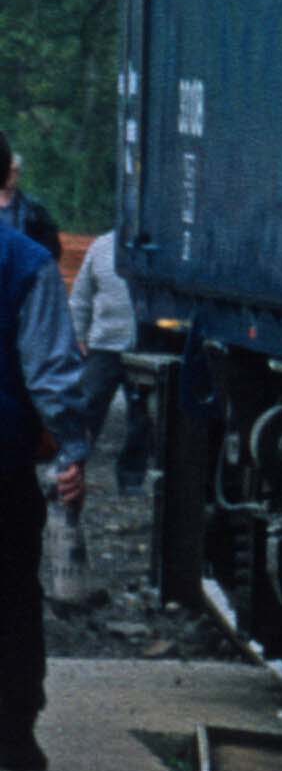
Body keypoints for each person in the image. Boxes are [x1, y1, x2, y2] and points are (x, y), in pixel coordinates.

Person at [0, 144, 90, 771]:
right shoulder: (26, 261)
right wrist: (75, 448)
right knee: (11, 599)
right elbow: (52, 372)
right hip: (3, 463)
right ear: (7, 175)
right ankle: (12, 738)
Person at [55, 228, 131, 563]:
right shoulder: (101, 247)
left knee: (143, 422)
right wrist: (79, 337)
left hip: (145, 347)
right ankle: (71, 471)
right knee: (85, 412)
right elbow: (82, 298)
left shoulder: (154, 248)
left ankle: (133, 484)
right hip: (104, 347)